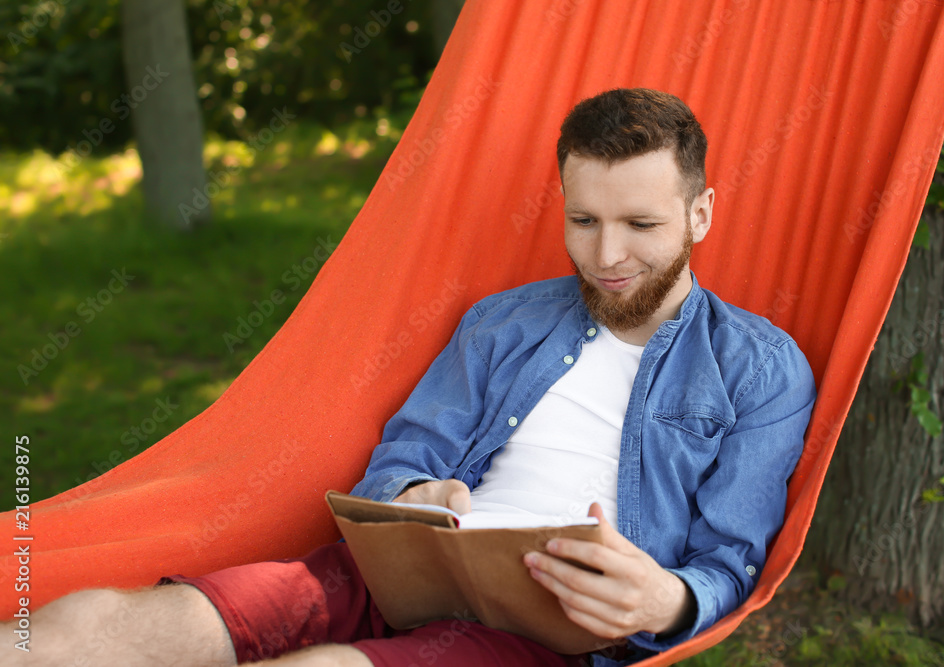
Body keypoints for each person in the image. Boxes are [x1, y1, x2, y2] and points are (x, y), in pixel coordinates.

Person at [5, 88, 816, 667]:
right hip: (407, 567)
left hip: (548, 629)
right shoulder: (504, 322)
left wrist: (661, 602)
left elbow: (730, 561)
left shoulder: (762, 368)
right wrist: (414, 495)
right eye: (583, 220)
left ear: (701, 213)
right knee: (108, 623)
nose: (606, 256)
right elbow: (405, 455)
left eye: (641, 224)